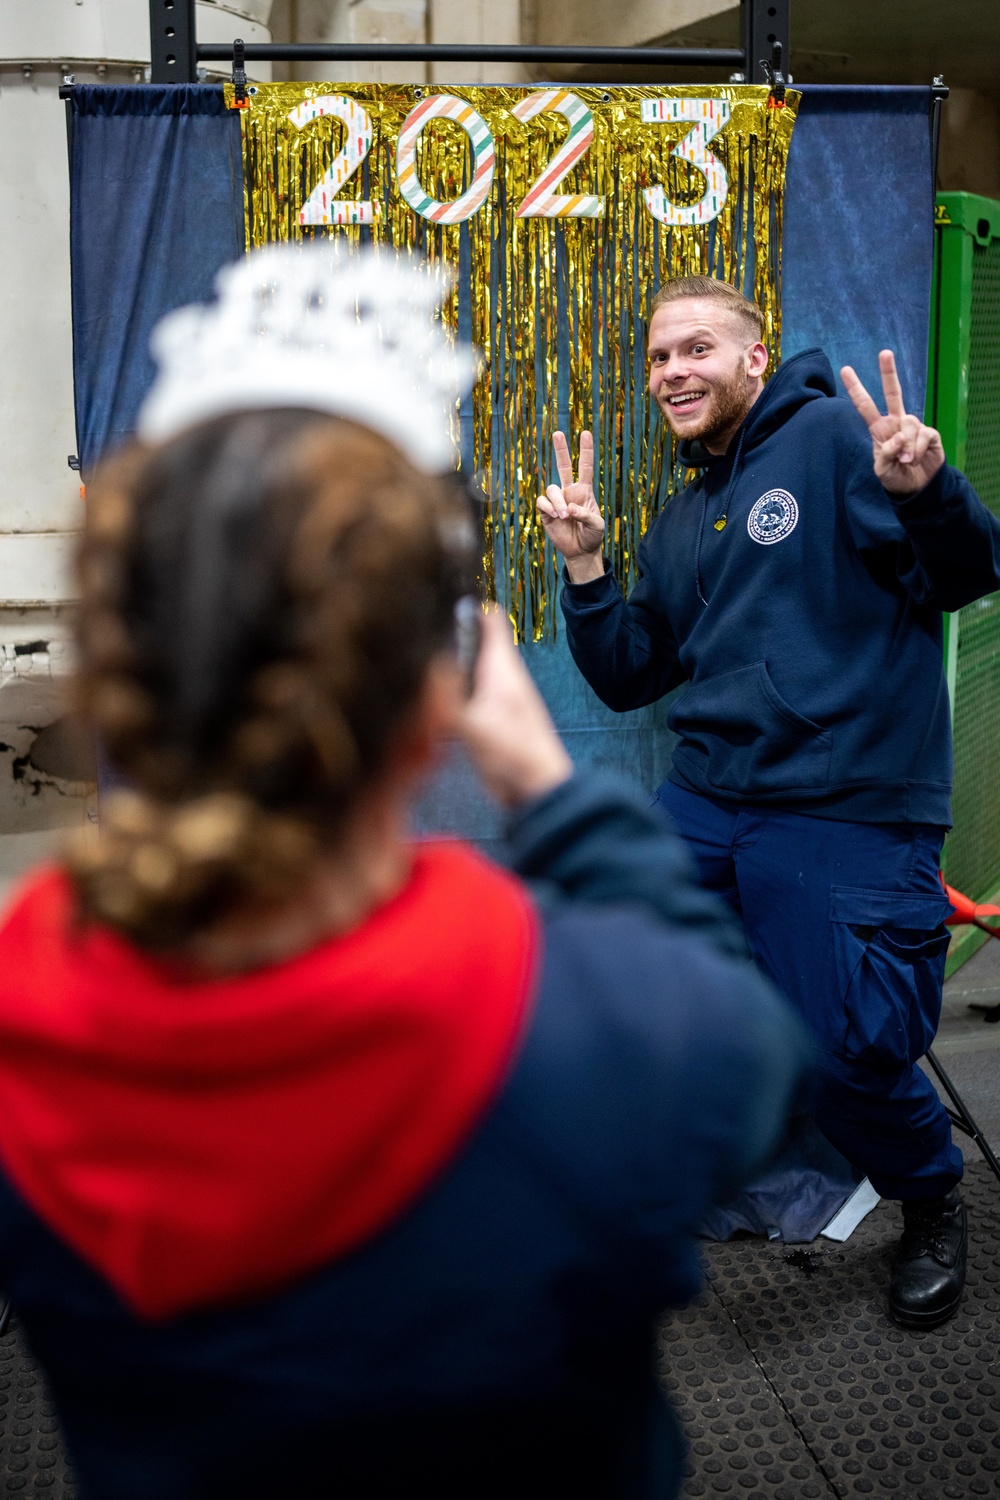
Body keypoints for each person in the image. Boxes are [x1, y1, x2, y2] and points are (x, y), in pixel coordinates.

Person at [0, 248, 806, 1500]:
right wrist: (551, 789)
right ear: (437, 705)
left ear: (116, 671)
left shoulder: (27, 997)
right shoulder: (583, 1008)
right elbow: (744, 1056)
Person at [538, 273, 1000, 1332]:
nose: (670, 372)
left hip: (844, 805)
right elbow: (629, 675)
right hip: (708, 798)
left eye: (695, 348)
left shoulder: (836, 439)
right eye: (656, 357)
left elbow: (964, 576)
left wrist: (926, 493)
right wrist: (589, 568)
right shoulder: (684, 514)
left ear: (754, 358)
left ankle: (929, 1197)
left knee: (843, 1049)